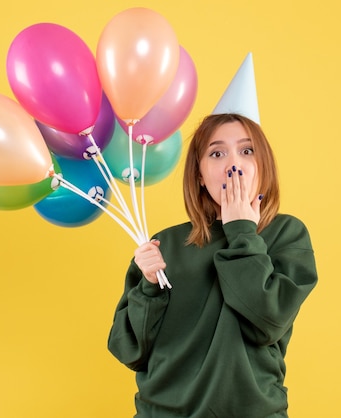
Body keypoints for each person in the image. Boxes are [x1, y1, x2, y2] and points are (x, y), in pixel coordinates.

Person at [107, 113, 318, 418]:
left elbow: (267, 322)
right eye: (217, 153)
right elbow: (128, 350)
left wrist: (243, 231)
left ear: (263, 166)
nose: (233, 164)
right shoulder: (164, 244)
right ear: (199, 175)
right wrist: (149, 288)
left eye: (247, 150)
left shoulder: (286, 234)